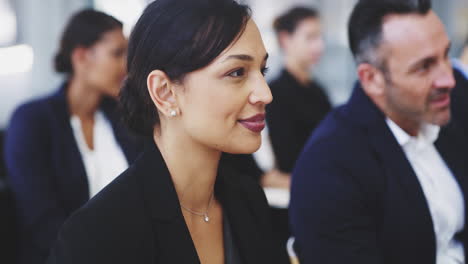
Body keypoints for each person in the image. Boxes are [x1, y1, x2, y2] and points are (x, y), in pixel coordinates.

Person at [46, 0, 282, 263]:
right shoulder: (98, 234)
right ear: (165, 92)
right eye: (236, 72)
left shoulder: (247, 200)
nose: (265, 93)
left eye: (262, 71)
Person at [290, 0, 468, 263]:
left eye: (445, 55)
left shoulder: (444, 114)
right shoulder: (330, 166)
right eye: (424, 67)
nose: (448, 79)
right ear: (372, 79)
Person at [4, 9, 141, 264]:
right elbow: (43, 224)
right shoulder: (33, 120)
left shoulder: (121, 118)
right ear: (81, 57)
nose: (126, 65)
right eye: (117, 53)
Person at [267, 6, 331, 176]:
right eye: (310, 37)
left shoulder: (318, 91)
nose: (320, 46)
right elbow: (288, 159)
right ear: (285, 39)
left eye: (320, 37)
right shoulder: (276, 92)